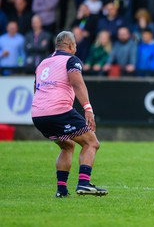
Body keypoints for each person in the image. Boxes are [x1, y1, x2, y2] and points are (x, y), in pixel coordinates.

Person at [31, 30, 108, 197]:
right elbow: (77, 83)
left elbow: (35, 87)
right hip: (59, 111)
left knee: (68, 145)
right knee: (91, 143)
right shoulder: (71, 60)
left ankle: (61, 190)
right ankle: (84, 183)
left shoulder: (43, 63)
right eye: (75, 46)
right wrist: (88, 109)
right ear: (71, 46)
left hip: (38, 114)